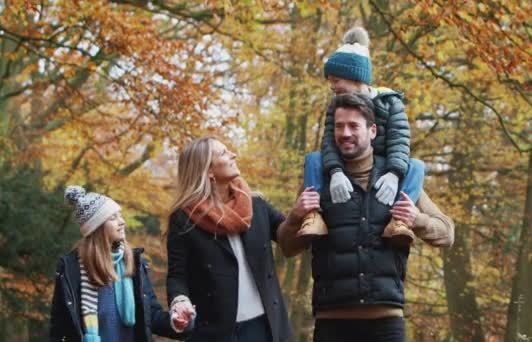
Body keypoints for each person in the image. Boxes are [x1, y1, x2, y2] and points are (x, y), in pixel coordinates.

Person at [278, 93, 454, 342]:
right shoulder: (318, 180)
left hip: (386, 322)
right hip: (331, 323)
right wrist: (296, 216)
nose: (345, 133)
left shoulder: (401, 178)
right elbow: (287, 246)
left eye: (353, 126)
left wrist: (417, 219)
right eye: (339, 126)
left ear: (372, 131)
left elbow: (447, 233)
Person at [300, 26, 423, 245]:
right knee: (313, 159)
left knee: (416, 167)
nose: (332, 87)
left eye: (336, 80)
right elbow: (328, 142)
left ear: (355, 77)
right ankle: (313, 215)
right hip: (348, 163)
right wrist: (336, 171)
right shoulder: (335, 106)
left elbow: (400, 140)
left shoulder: (390, 102)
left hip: (384, 166)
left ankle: (399, 219)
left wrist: (394, 172)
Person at [165, 136, 291, 342]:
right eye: (224, 153)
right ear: (208, 171)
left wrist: (302, 212)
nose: (233, 155)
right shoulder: (183, 219)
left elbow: (289, 235)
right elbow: (177, 275)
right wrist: (179, 302)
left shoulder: (256, 205)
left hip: (265, 328)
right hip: (215, 333)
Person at [49, 186, 194, 342]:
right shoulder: (72, 269)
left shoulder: (134, 263)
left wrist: (177, 321)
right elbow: (59, 328)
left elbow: (150, 315)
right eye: (113, 218)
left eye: (120, 215)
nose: (122, 222)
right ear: (96, 227)